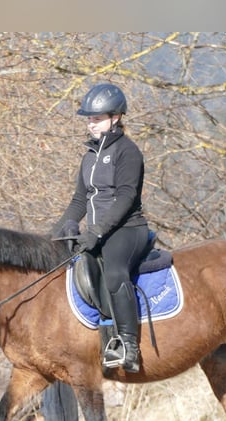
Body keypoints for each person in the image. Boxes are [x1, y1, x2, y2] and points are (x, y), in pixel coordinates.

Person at [53, 83, 149, 373]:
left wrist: (96, 232)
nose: (90, 124)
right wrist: (61, 229)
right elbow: (80, 199)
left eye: (96, 119)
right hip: (96, 231)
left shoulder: (127, 152)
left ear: (115, 117)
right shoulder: (89, 157)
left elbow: (126, 197)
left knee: (115, 271)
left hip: (127, 230)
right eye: (89, 119)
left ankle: (129, 345)